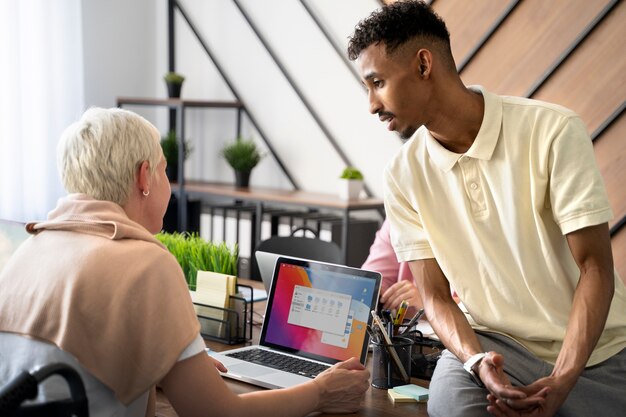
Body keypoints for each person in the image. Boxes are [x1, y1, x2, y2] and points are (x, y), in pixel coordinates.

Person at [347, 2, 626, 417]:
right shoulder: (402, 174)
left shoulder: (552, 131)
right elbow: (436, 297)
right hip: (491, 345)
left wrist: (564, 378)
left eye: (378, 82)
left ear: (424, 64)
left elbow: (596, 268)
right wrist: (477, 363)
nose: (371, 104)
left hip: (596, 354)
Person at [0, 108, 370, 417]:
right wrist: (320, 392)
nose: (168, 184)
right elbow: (217, 414)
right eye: (164, 169)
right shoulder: (144, 262)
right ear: (144, 176)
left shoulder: (29, 250)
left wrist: (162, 366)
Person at [362, 218, 422, 312]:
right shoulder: (396, 218)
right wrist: (375, 290)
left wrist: (428, 302)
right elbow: (369, 278)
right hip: (404, 323)